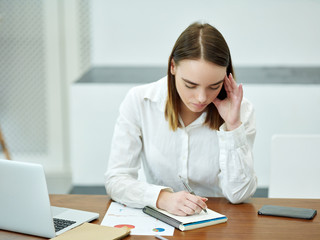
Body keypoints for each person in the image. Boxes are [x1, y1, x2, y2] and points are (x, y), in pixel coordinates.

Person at [105, 22, 257, 216]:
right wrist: (162, 198)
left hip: (216, 223)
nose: (202, 98)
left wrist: (233, 126)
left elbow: (239, 195)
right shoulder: (140, 101)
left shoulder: (241, 111)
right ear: (172, 67)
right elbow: (116, 179)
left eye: (214, 86)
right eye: (191, 85)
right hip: (160, 220)